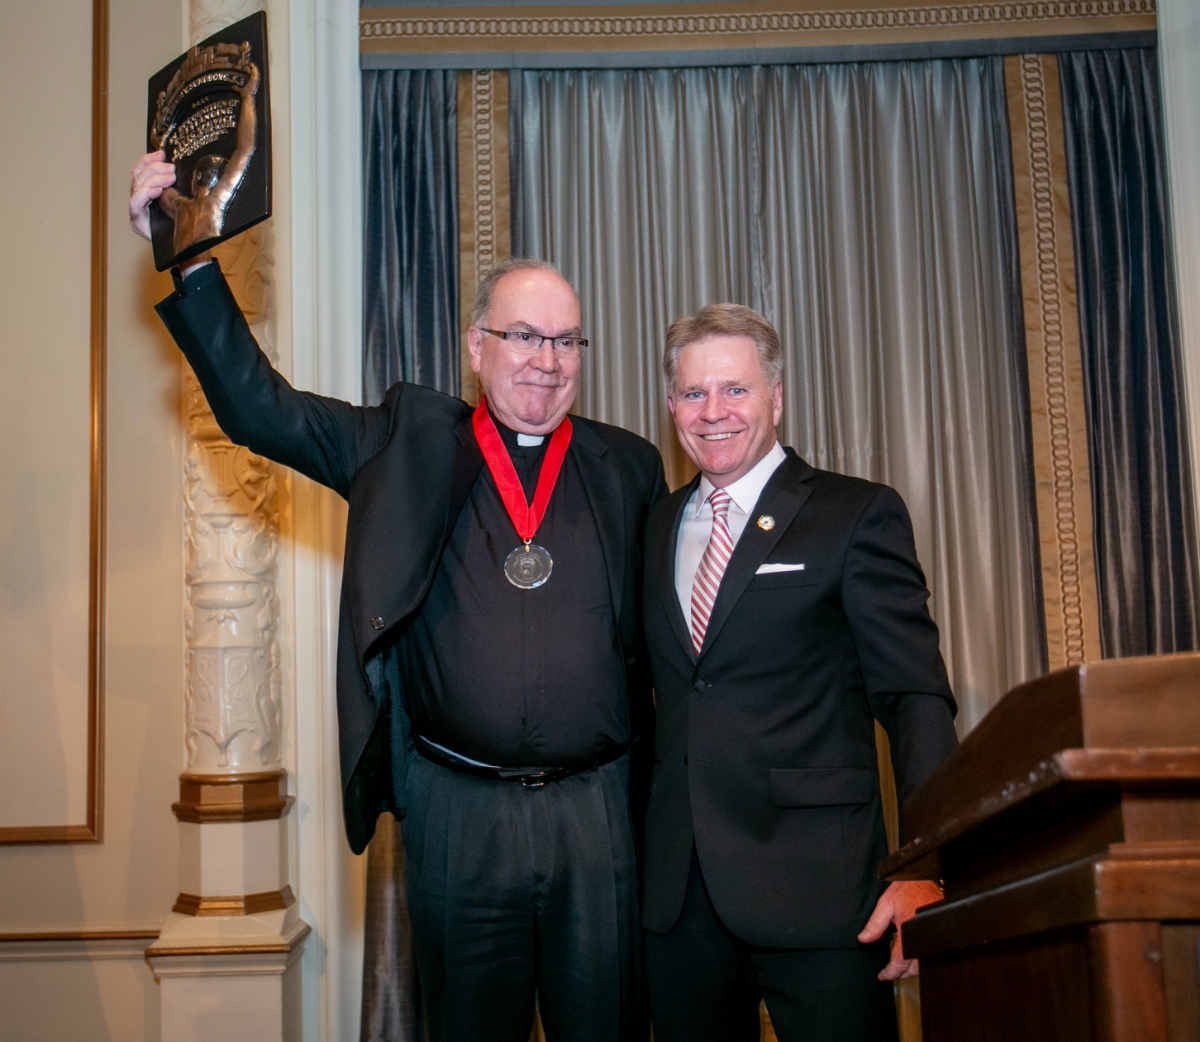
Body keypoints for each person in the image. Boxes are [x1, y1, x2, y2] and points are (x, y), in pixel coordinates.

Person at [129, 155, 665, 1042]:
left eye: (565, 341)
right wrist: (184, 250)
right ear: (476, 345)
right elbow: (263, 410)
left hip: (596, 814)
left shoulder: (631, 466)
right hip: (459, 815)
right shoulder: (402, 443)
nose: (545, 360)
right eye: (523, 336)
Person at [640, 304, 958, 1042]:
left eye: (736, 389)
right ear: (671, 406)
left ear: (777, 397)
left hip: (824, 897)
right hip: (680, 904)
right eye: (693, 394)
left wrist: (926, 867)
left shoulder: (855, 514)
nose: (713, 411)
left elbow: (914, 699)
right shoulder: (656, 525)